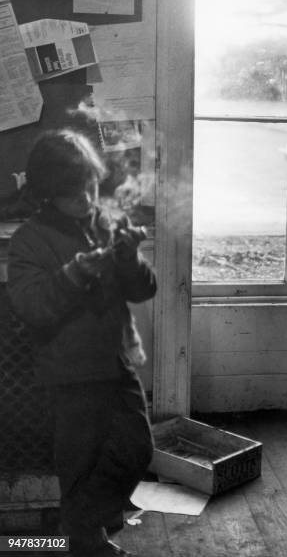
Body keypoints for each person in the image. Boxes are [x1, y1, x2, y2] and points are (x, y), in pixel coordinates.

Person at [7, 129, 156, 557]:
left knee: (136, 449)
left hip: (115, 362)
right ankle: (87, 540)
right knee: (79, 465)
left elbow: (144, 290)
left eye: (91, 186)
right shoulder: (29, 241)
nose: (87, 200)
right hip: (68, 373)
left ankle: (80, 529)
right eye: (73, 194)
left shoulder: (107, 222)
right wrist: (74, 274)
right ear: (48, 194)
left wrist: (130, 258)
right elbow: (32, 307)